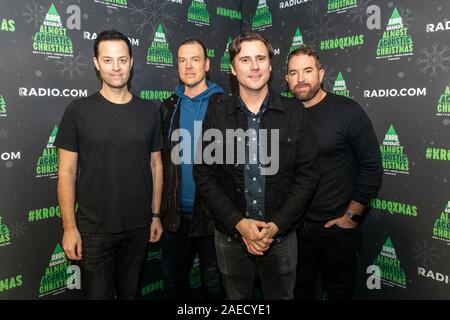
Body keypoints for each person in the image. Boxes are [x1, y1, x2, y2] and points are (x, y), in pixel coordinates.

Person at [194, 32, 320, 300]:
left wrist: (276, 225)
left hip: (282, 238)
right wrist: (238, 223)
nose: (254, 66)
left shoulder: (294, 112)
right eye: (245, 59)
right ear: (232, 68)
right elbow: (204, 175)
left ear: (271, 65)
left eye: (261, 58)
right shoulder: (217, 112)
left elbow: (308, 175)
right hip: (230, 236)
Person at [55, 29, 163, 300]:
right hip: (94, 231)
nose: (116, 67)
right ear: (96, 63)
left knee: (130, 294)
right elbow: (66, 172)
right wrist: (69, 228)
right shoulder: (78, 111)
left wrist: (155, 215)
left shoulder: (149, 110)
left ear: (131, 61)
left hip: (139, 227)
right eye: (108, 60)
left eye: (122, 60)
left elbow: (156, 165)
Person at [285, 45, 382, 300]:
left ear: (321, 74)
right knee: (299, 292)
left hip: (336, 230)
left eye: (307, 70)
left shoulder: (347, 111)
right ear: (287, 80)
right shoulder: (284, 116)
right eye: (293, 73)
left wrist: (350, 217)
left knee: (340, 293)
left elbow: (371, 167)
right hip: (294, 230)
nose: (301, 78)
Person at [159, 39, 225, 300]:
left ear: (207, 64)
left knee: (214, 282)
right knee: (173, 281)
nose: (188, 66)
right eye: (182, 60)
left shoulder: (224, 104)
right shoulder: (168, 107)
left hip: (213, 217)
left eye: (195, 59)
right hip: (174, 216)